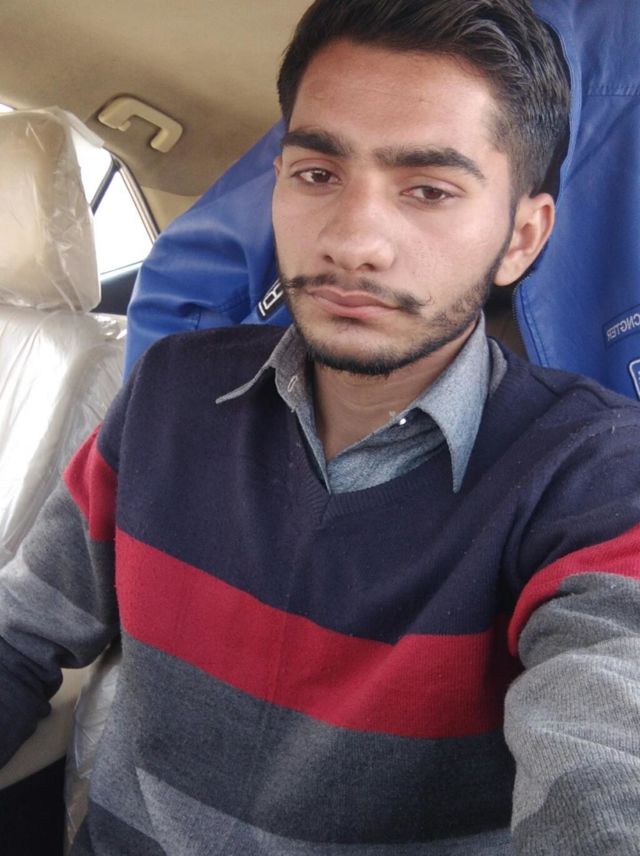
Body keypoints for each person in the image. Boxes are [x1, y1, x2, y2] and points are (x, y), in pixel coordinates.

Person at [2, 1, 640, 853]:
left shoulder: (592, 475)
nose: (353, 240)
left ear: (522, 238)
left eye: (428, 190)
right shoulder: (168, 393)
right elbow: (19, 634)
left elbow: (605, 755)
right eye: (316, 174)